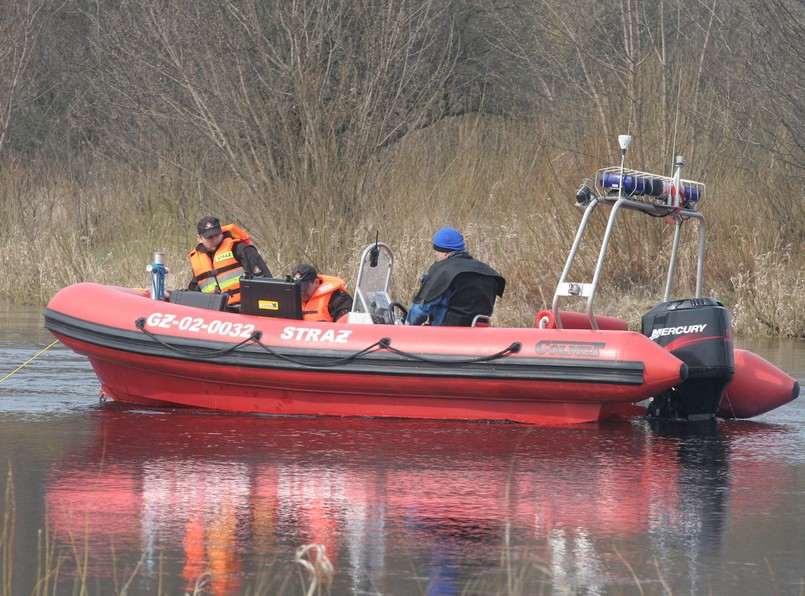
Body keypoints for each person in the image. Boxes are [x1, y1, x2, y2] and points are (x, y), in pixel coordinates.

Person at [406, 226, 505, 326]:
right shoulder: (487, 272)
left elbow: (419, 311)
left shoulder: (442, 270)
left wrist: (408, 325)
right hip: (479, 336)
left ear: (444, 252)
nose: (436, 254)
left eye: (436, 251)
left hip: (445, 335)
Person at [188, 216, 271, 309]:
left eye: (217, 235)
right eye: (209, 237)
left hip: (245, 309)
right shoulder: (198, 260)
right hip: (216, 314)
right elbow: (193, 294)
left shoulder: (240, 249)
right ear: (199, 238)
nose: (214, 239)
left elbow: (266, 283)